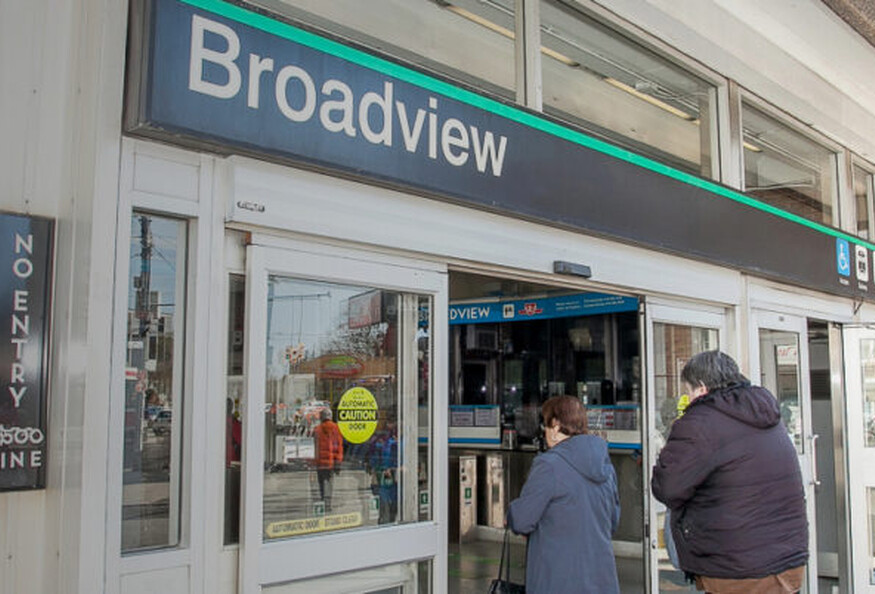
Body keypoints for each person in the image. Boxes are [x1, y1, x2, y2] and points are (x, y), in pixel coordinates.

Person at [651, 350, 808, 593]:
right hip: (788, 562)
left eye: (688, 391)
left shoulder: (700, 422)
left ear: (701, 388)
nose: (688, 398)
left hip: (738, 569)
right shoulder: (767, 415)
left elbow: (667, 488)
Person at [507, 395, 621, 594]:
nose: (544, 432)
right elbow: (613, 521)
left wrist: (511, 513)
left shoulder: (548, 466)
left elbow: (522, 520)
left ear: (556, 426)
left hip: (559, 580)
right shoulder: (605, 465)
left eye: (545, 425)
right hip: (602, 580)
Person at [313, 407, 343, 510]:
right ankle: (328, 504)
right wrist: (338, 462)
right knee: (329, 482)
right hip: (331, 462)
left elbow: (315, 447)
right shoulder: (336, 428)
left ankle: (322, 500)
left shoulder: (317, 429)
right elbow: (339, 447)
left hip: (320, 462)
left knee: (321, 482)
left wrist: (314, 461)